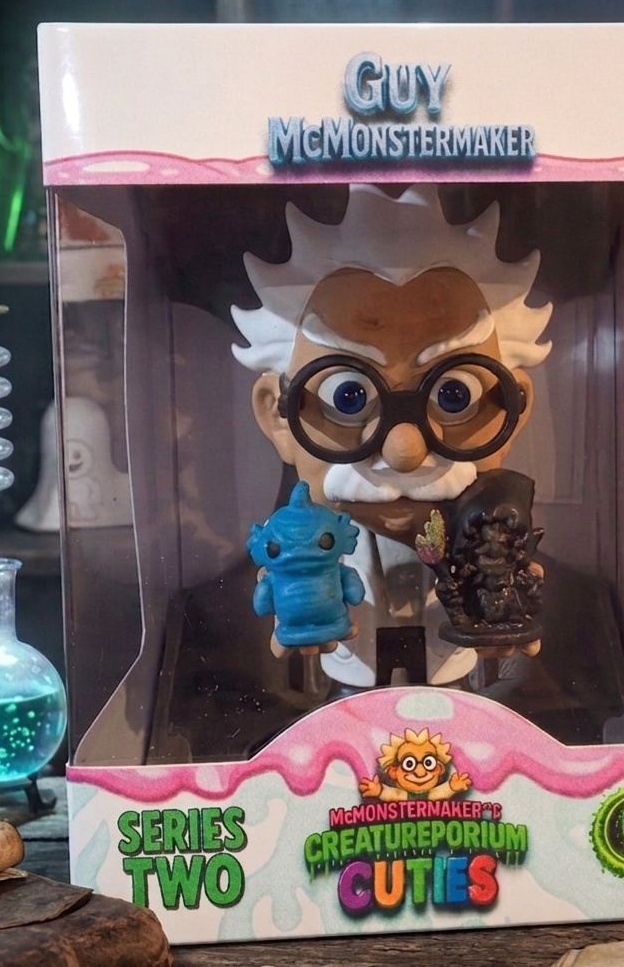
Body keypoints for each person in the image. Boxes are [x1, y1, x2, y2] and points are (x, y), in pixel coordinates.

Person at [232, 182, 553, 688]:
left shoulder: (491, 541)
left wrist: (509, 608)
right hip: (346, 678)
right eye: (348, 397)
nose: (405, 450)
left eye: (454, 396)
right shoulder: (306, 541)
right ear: (278, 417)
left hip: (461, 681)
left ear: (515, 409)